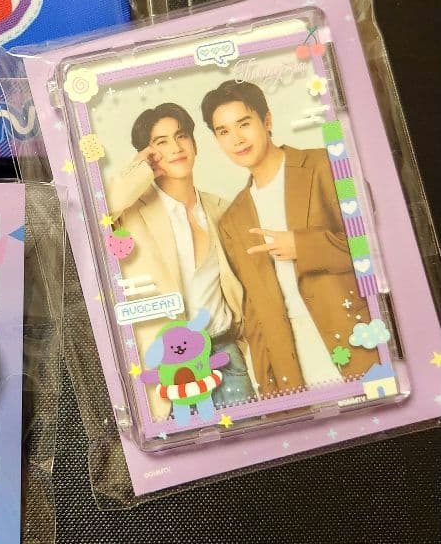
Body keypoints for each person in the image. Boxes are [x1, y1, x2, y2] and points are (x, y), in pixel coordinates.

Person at [201, 79, 378, 396]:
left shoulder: (326, 165)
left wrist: (303, 245)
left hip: (357, 339)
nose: (236, 139)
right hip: (292, 366)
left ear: (267, 121)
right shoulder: (233, 219)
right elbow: (254, 313)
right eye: (223, 131)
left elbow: (376, 245)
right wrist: (270, 387)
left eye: (244, 124)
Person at [107, 102, 255, 418]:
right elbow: (97, 207)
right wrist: (140, 170)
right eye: (161, 142)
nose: (175, 148)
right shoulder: (130, 215)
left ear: (195, 144)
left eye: (182, 136)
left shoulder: (221, 209)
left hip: (225, 355)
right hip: (170, 367)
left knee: (251, 441)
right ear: (148, 154)